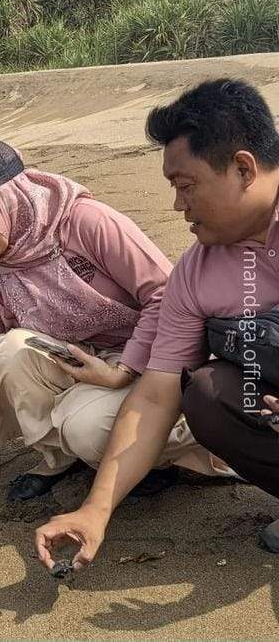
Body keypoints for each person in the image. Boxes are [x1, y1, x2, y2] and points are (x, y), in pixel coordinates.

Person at [0, 138, 226, 520]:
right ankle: (63, 458)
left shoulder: (84, 221)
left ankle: (177, 453)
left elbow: (165, 294)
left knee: (83, 428)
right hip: (83, 362)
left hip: (151, 357)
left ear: (3, 199)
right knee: (8, 352)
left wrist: (124, 371)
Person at [36, 79, 279, 568]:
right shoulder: (197, 270)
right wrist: (95, 511)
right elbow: (154, 395)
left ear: (243, 168)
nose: (177, 206)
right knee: (208, 393)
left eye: (186, 187)